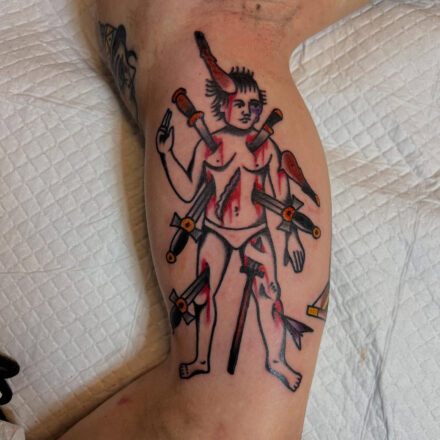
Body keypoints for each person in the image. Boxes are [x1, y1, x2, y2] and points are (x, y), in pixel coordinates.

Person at [60, 1, 370, 439]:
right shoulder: (213, 145)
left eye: (253, 105)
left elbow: (280, 193)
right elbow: (190, 190)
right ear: (223, 107)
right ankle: (203, 357)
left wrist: (290, 238)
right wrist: (168, 152)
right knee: (204, 296)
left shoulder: (264, 148)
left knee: (269, 295)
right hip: (217, 233)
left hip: (256, 233)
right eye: (239, 104)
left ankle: (276, 358)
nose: (247, 111)